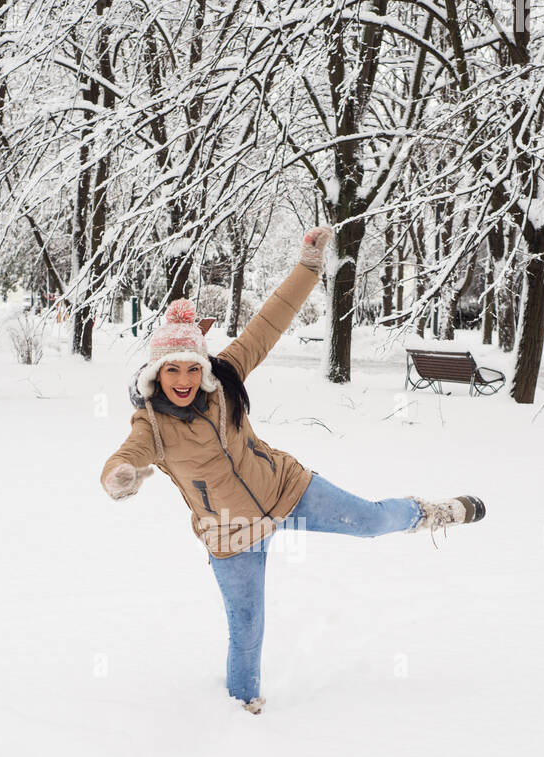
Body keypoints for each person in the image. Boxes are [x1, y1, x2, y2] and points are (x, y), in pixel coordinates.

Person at [100, 225, 485, 714]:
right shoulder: (151, 425)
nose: (184, 379)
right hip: (231, 531)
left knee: (369, 521)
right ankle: (242, 712)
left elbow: (269, 322)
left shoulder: (225, 378)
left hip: (286, 487)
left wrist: (307, 265)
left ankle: (428, 512)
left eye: (192, 368)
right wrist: (120, 478)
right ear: (156, 374)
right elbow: (123, 459)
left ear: (203, 367)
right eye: (172, 370)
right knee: (247, 629)